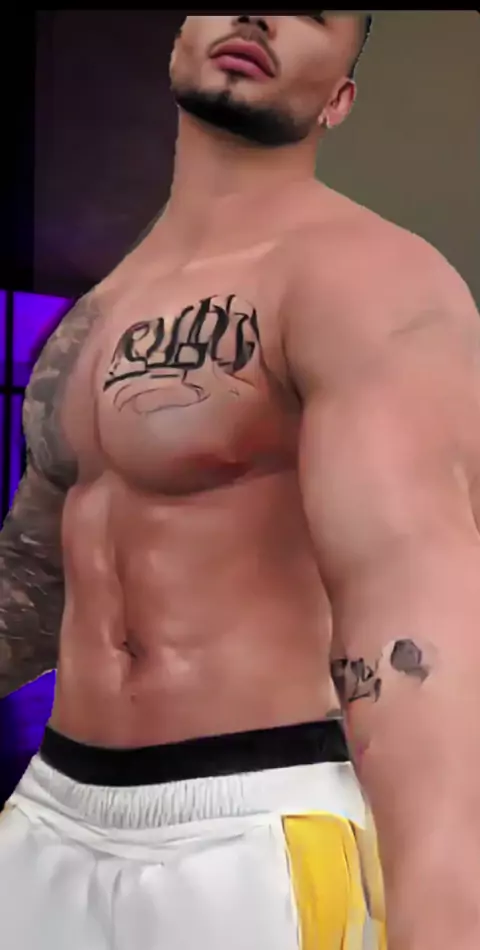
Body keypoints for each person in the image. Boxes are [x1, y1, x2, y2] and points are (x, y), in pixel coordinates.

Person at [0, 12, 479, 950]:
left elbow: (416, 608)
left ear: (339, 99)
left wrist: (447, 916)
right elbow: (32, 576)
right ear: (181, 32)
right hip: (52, 812)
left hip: (254, 829)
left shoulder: (368, 280)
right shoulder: (95, 315)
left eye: (312, 12)